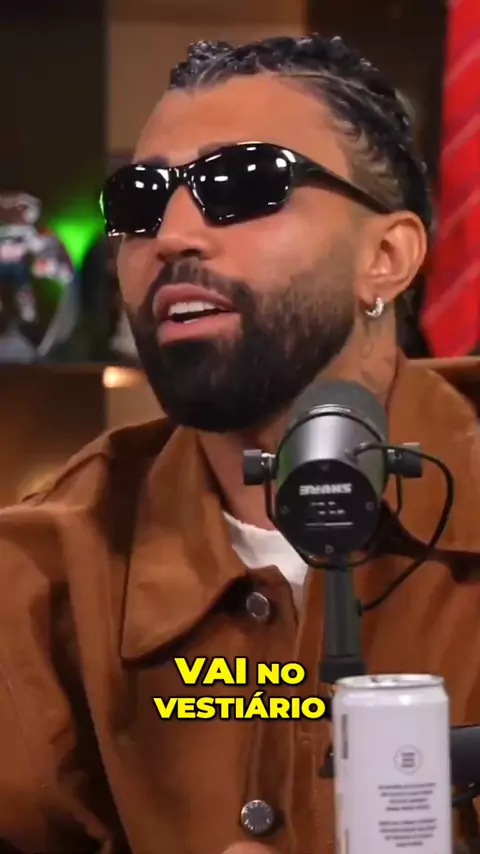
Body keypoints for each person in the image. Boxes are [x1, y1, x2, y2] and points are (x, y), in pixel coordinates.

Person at [0, 34, 479, 854]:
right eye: (140, 201)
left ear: (386, 256)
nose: (171, 235)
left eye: (242, 185)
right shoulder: (37, 577)